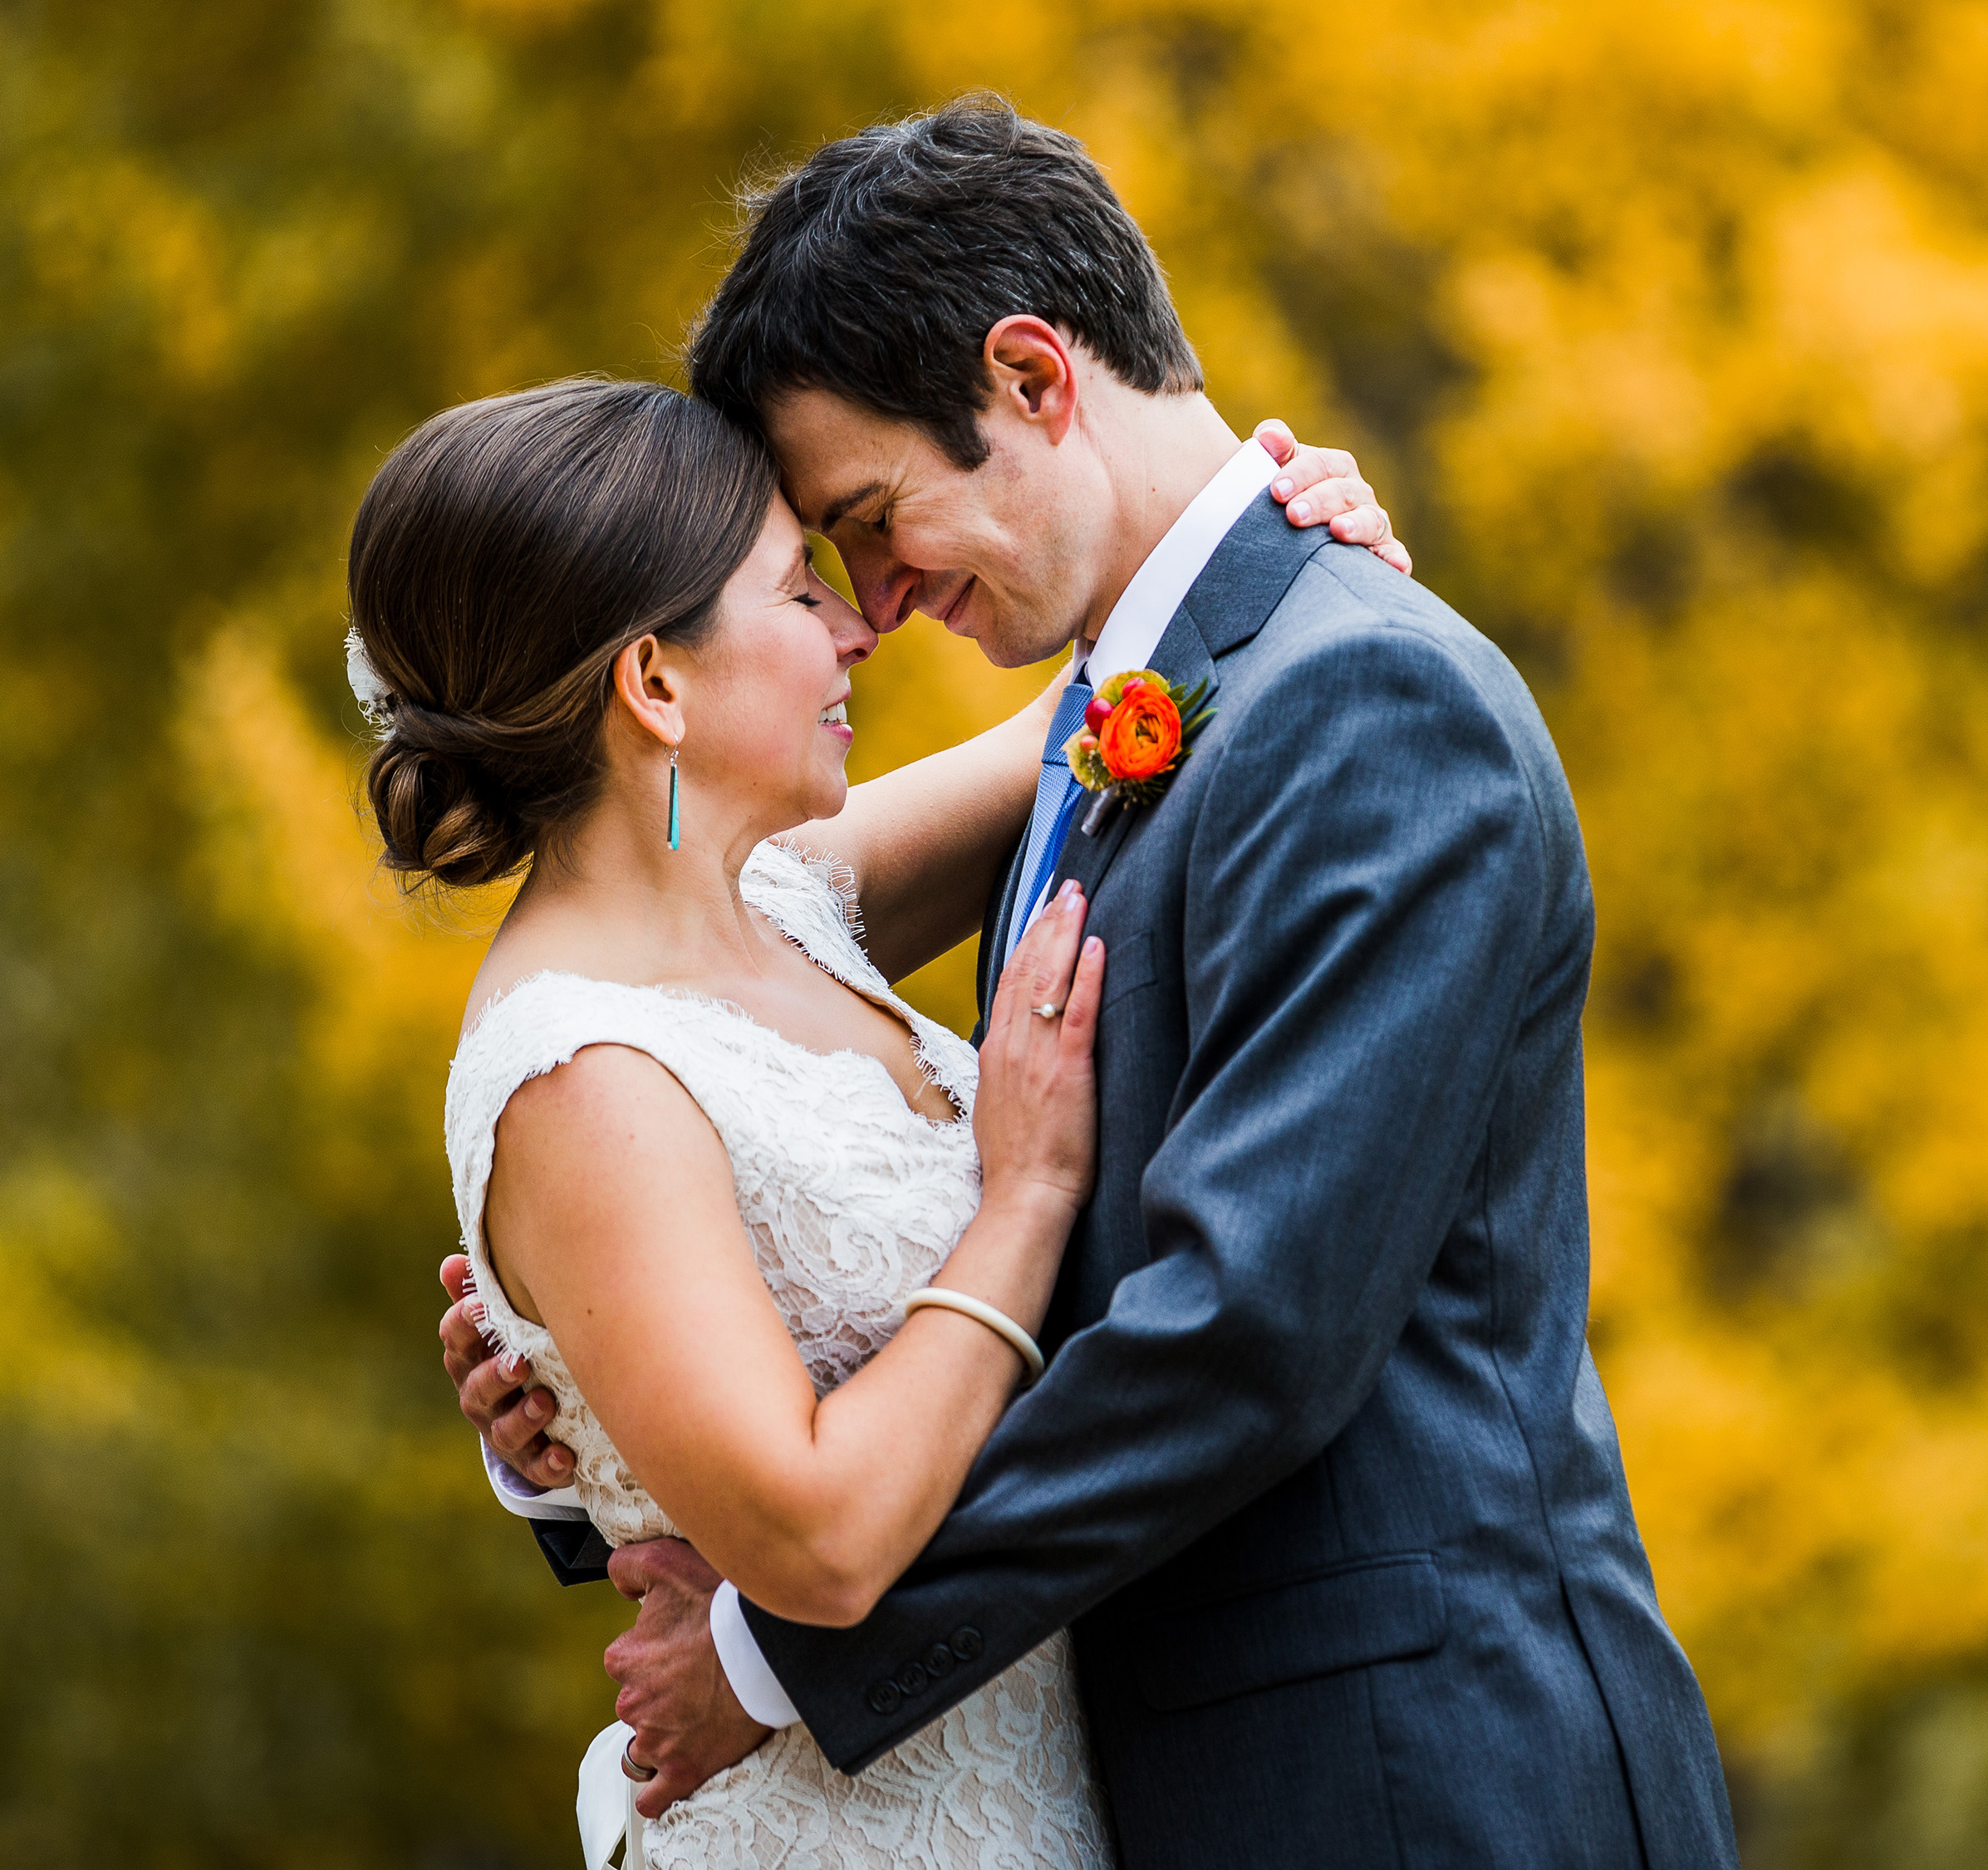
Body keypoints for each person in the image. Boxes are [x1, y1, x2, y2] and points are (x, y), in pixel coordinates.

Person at [436, 92, 1741, 1868]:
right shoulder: (1123, 723)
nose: (871, 607)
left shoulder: (1362, 701)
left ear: (1036, 379)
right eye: (817, 564)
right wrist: (570, 1398)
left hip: (1411, 1774)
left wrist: (773, 1660)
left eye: (872, 518)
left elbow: (1246, 1327)